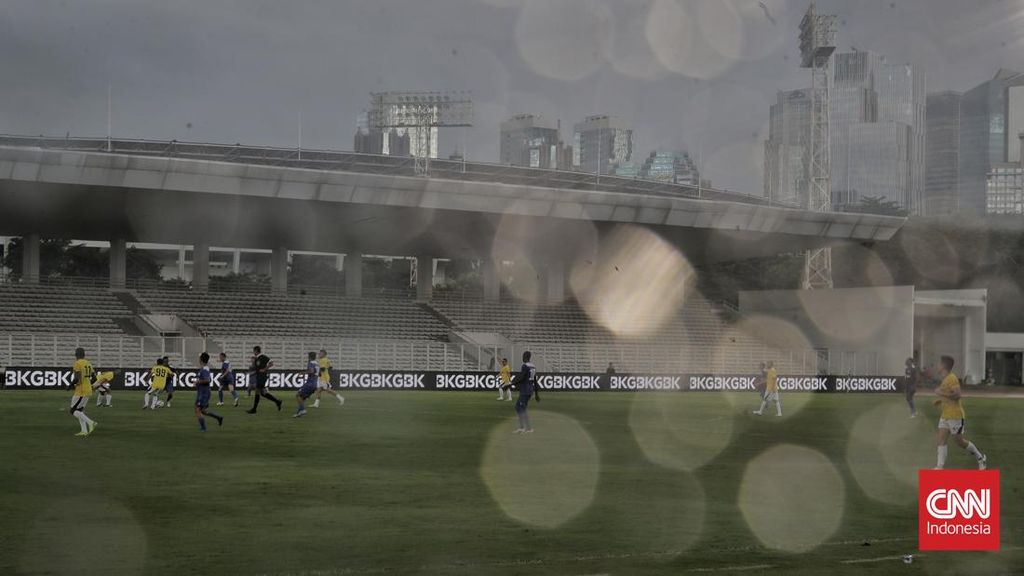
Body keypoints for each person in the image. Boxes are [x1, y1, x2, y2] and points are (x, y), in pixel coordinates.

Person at [934, 355, 987, 470]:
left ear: (943, 366)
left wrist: (941, 394)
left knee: (959, 442)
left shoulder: (952, 378)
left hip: (955, 416)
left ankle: (980, 457)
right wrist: (941, 400)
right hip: (945, 415)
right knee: (941, 440)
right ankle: (939, 467)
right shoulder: (946, 378)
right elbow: (950, 395)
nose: (937, 365)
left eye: (939, 363)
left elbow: (957, 395)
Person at [69, 347, 98, 436]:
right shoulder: (88, 363)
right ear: (84, 354)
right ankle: (84, 430)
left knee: (73, 411)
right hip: (88, 389)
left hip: (81, 390)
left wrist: (70, 386)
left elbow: (77, 378)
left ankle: (91, 422)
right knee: (80, 411)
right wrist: (88, 384)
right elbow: (95, 378)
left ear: (76, 354)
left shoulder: (77, 363)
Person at [246, 345, 282, 413]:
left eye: (254, 351)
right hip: (259, 377)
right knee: (263, 393)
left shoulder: (263, 357)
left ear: (256, 351)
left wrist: (265, 369)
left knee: (257, 391)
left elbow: (271, 363)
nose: (253, 352)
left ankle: (254, 409)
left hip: (262, 377)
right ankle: (277, 401)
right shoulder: (257, 358)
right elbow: (257, 369)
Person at [194, 352, 224, 432]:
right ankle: (218, 417)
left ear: (201, 359)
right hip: (202, 392)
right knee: (202, 411)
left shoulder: (205, 369)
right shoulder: (204, 368)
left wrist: (198, 382)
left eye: (199, 358)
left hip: (204, 393)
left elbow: (207, 380)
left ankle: (203, 428)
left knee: (198, 410)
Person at [511, 351, 538, 434]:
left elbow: (522, 377)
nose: (522, 358)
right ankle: (523, 428)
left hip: (525, 390)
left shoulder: (525, 366)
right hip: (530, 390)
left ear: (526, 357)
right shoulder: (533, 366)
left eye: (523, 356)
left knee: (520, 408)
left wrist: (512, 383)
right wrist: (536, 393)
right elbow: (534, 380)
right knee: (519, 407)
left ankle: (527, 428)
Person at [294, 352, 320, 418]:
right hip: (315, 384)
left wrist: (303, 373)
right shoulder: (317, 364)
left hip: (310, 383)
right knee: (302, 398)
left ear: (309, 357)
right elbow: (318, 373)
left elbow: (311, 371)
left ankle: (302, 410)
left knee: (298, 395)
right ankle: (299, 413)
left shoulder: (311, 363)